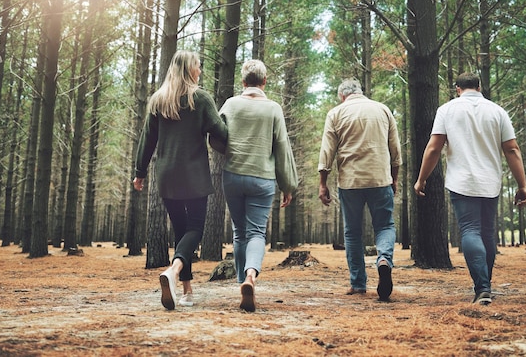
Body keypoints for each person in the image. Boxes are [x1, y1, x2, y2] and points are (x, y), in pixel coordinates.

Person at [414, 72, 526, 305]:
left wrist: (421, 178)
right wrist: (522, 185)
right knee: (487, 233)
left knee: (470, 230)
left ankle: (482, 287)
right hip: (490, 182)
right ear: (480, 86)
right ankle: (485, 284)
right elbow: (512, 149)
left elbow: (434, 148)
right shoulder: (497, 111)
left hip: (462, 181)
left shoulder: (446, 110)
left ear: (458, 89)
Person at [133, 50, 227, 311]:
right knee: (195, 229)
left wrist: (140, 172)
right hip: (193, 175)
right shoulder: (200, 99)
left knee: (181, 230)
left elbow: (147, 140)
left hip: (166, 176)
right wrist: (226, 121)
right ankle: (174, 272)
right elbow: (221, 131)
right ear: (189, 70)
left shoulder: (158, 100)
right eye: (197, 66)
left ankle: (186, 292)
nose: (200, 71)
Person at [217, 59, 298, 312]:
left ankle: (242, 281)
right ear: (264, 82)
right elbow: (282, 147)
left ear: (243, 82)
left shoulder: (230, 104)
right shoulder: (273, 108)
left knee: (239, 232)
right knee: (256, 233)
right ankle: (251, 276)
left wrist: (227, 151)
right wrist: (288, 185)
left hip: (232, 175)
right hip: (262, 178)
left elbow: (217, 135)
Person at [318, 79, 402, 301]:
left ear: (342, 96)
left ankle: (358, 284)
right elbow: (395, 149)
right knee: (385, 225)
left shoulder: (336, 113)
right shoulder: (383, 110)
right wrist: (394, 178)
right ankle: (384, 259)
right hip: (379, 178)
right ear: (360, 92)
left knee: (352, 232)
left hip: (350, 181)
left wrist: (322, 182)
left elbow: (327, 151)